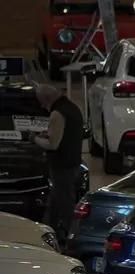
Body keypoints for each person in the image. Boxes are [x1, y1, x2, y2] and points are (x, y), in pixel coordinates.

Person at [31, 82, 82, 247]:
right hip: (73, 162)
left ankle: (70, 238)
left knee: (64, 203)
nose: (41, 105)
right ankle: (48, 232)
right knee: (57, 202)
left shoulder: (57, 113)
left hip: (62, 166)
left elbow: (53, 145)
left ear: (45, 99)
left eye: (41, 101)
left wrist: (34, 139)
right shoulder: (73, 108)